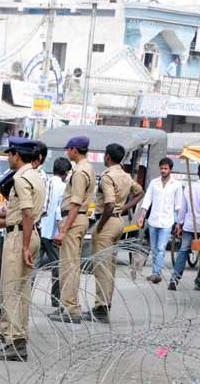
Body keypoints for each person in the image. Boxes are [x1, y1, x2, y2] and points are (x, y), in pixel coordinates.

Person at [0, 137, 45, 362]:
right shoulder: (35, 176)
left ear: (17, 156)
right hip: (27, 231)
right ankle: (19, 337)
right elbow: (23, 213)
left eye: (10, 154)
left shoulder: (20, 178)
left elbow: (27, 213)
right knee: (22, 291)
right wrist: (5, 221)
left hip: (21, 237)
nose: (8, 158)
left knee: (10, 290)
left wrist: (25, 245)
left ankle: (15, 342)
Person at [88, 143, 144, 322]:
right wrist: (124, 209)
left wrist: (100, 225)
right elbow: (140, 192)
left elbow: (109, 204)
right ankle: (105, 303)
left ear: (107, 157)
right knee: (109, 265)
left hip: (108, 221)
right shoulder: (125, 175)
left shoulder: (108, 176)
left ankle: (101, 306)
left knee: (101, 266)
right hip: (119, 221)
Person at [50, 137, 95, 323]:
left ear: (75, 150)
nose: (67, 153)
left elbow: (75, 203)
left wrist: (63, 229)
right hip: (78, 218)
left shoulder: (79, 172)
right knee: (70, 265)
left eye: (68, 150)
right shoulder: (87, 168)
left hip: (74, 219)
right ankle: (67, 305)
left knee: (69, 266)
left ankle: (70, 308)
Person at [171, 165, 200, 291]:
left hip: (189, 224)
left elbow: (183, 208)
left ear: (198, 173)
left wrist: (179, 223)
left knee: (184, 250)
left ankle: (175, 278)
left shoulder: (190, 187)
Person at [137, 158, 181, 283]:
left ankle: (156, 273)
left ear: (170, 169)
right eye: (161, 168)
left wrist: (179, 223)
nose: (163, 170)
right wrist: (141, 216)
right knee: (154, 248)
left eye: (166, 168)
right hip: (153, 220)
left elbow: (178, 206)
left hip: (167, 221)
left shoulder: (176, 185)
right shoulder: (154, 183)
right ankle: (155, 271)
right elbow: (147, 201)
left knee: (161, 248)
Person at [38, 157, 70, 308]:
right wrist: (62, 230)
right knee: (57, 266)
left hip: (40, 229)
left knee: (32, 265)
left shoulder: (46, 182)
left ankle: (24, 295)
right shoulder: (64, 188)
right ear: (65, 173)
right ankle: (55, 299)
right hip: (54, 233)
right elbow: (59, 210)